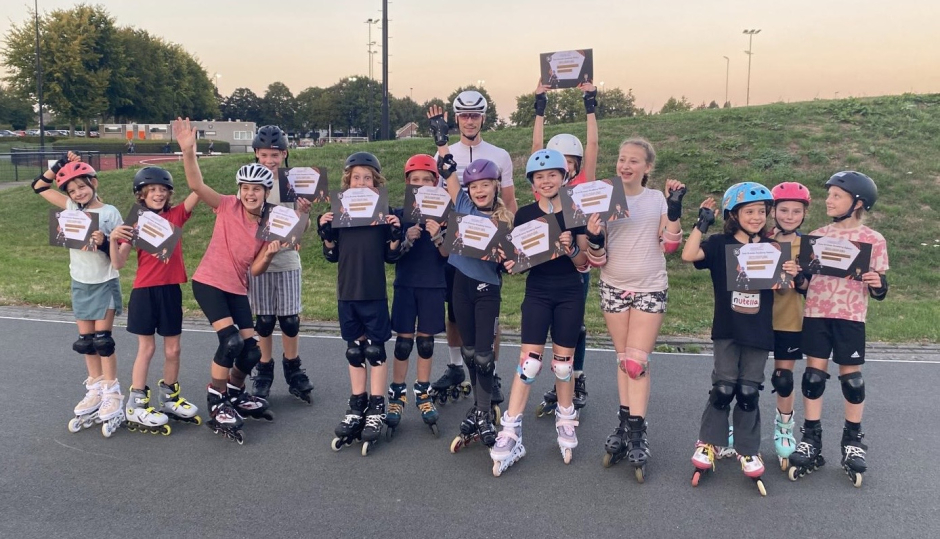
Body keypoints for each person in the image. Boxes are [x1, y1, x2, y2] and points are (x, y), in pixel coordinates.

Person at [681, 182, 798, 496]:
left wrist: (789, 272)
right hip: (728, 329)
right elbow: (689, 254)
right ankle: (708, 443)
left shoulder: (772, 248)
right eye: (749, 212)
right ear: (733, 215)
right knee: (723, 388)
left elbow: (784, 288)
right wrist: (702, 223)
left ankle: (748, 449)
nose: (757, 217)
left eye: (761, 212)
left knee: (748, 391)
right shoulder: (720, 244)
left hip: (758, 331)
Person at [173, 117, 276, 444]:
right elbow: (197, 186)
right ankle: (216, 399)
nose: (249, 193)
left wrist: (270, 253)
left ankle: (234, 390)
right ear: (239, 190)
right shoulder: (227, 206)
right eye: (245, 188)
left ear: (266, 192)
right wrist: (188, 151)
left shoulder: (268, 223)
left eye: (256, 189)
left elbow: (255, 270)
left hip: (237, 288)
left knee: (252, 351)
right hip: (209, 282)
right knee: (230, 342)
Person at [589, 138, 685, 482]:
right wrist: (595, 238)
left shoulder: (656, 198)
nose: (625, 165)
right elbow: (596, 259)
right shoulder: (605, 196)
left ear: (647, 167)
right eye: (621, 159)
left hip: (649, 286)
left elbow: (669, 246)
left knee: (636, 362)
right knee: (622, 360)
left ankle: (638, 431)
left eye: (633, 160)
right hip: (613, 285)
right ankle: (625, 421)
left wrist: (674, 212)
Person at [489, 149, 589, 476]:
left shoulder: (575, 210)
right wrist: (510, 263)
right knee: (529, 363)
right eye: (540, 177)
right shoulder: (526, 214)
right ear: (533, 183)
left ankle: (565, 416)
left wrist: (571, 248)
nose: (546, 181)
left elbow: (583, 262)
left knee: (563, 365)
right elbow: (520, 260)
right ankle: (510, 428)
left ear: (564, 177)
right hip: (538, 291)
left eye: (552, 175)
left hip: (570, 291)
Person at [788, 171, 888, 488]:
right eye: (829, 195)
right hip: (817, 313)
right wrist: (797, 275)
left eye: (836, 196)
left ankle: (853, 441)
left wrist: (878, 283)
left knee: (852, 381)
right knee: (813, 377)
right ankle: (811, 439)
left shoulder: (873, 240)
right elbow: (805, 285)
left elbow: (880, 288)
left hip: (851, 316)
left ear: (857, 203)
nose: (828, 200)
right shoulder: (817, 237)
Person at [428, 92, 517, 406]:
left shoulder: (500, 155)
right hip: (456, 246)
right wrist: (441, 141)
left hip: (488, 249)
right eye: (464, 116)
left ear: (483, 118)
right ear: (456, 119)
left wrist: (507, 241)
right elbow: (442, 193)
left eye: (475, 115)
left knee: (488, 315)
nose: (469, 120)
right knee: (456, 313)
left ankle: (491, 375)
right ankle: (456, 367)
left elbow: (510, 202)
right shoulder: (445, 152)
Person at [31, 153, 125, 437]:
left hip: (104, 282)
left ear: (93, 183)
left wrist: (104, 242)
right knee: (86, 343)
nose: (78, 193)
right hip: (80, 283)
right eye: (72, 190)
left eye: (82, 186)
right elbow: (39, 187)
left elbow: (119, 257)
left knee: (103, 341)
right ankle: (95, 388)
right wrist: (60, 164)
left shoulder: (110, 213)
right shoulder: (71, 207)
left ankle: (112, 393)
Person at [318, 152, 403, 455]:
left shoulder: (383, 213)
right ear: (348, 181)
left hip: (373, 291)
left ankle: (377, 406)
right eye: (356, 177)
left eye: (368, 177)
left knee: (375, 350)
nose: (362, 182)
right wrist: (326, 234)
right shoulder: (339, 212)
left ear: (376, 182)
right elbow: (332, 255)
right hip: (347, 292)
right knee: (354, 350)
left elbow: (391, 256)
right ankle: (357, 405)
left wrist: (395, 233)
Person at [110, 167, 201, 434]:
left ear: (169, 194)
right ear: (141, 195)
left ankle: (170, 397)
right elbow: (119, 263)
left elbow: (198, 189)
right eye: (152, 190)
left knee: (173, 350)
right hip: (145, 291)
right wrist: (113, 240)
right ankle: (136, 403)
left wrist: (189, 153)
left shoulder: (176, 215)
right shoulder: (135, 221)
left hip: (171, 290)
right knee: (147, 349)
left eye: (163, 190)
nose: (158, 194)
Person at [435, 148, 513, 457]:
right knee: (468, 352)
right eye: (474, 186)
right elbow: (450, 175)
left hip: (486, 289)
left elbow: (512, 260)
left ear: (496, 186)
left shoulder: (503, 220)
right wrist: (442, 145)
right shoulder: (464, 205)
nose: (479, 190)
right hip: (460, 285)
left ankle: (483, 412)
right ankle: (482, 406)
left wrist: (508, 259)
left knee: (483, 356)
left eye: (485, 184)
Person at [530, 80, 599, 418]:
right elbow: (536, 147)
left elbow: (594, 145)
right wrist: (540, 106)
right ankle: (561, 381)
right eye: (562, 160)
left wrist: (590, 103)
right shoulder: (544, 185)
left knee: (575, 327)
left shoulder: (584, 185)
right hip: (547, 269)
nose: (567, 166)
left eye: (572, 161)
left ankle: (577, 378)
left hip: (577, 265)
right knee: (550, 329)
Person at [247, 125, 315, 405]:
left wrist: (303, 212)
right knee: (263, 321)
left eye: (275, 155)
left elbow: (302, 230)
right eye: (264, 155)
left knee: (289, 320)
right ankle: (264, 369)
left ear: (284, 154)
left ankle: (293, 368)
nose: (269, 160)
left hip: (287, 259)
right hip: (260, 260)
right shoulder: (250, 184)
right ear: (256, 154)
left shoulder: (293, 184)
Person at [387, 154, 447, 436]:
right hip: (406, 284)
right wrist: (406, 239)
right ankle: (397, 393)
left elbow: (449, 254)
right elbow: (391, 255)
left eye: (426, 179)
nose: (421, 184)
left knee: (425, 343)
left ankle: (423, 392)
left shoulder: (445, 215)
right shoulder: (400, 215)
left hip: (433, 284)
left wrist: (438, 236)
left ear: (435, 183)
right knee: (403, 343)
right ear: (408, 183)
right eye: (415, 180)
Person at [767, 181, 812, 470]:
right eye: (784, 210)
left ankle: (784, 428)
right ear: (774, 211)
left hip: (789, 318)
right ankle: (738, 427)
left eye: (796, 211)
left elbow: (811, 287)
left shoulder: (808, 246)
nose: (790, 216)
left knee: (783, 378)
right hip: (756, 318)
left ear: (804, 214)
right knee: (743, 380)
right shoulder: (759, 240)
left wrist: (799, 275)